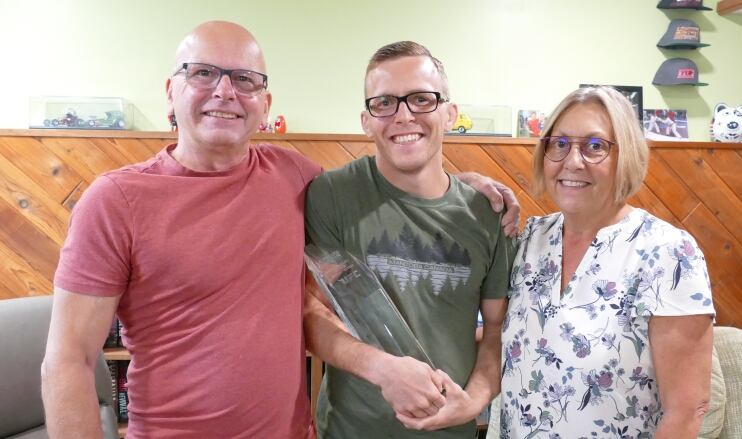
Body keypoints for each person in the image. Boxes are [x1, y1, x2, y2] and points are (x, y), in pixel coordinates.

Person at [41, 22, 519, 439]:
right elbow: (68, 363)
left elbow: (402, 176)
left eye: (244, 79)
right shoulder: (113, 201)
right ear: (171, 90)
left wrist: (470, 187)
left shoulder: (293, 177)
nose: (225, 92)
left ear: (264, 103)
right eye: (203, 72)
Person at [304, 41, 517, 438]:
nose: (403, 116)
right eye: (384, 103)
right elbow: (311, 313)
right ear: (366, 121)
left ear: (450, 113)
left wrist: (472, 402)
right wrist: (382, 370)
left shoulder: (488, 215)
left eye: (421, 99)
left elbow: (497, 330)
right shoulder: (331, 196)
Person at [496, 86, 714, 438]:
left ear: (625, 155)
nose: (572, 161)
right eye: (560, 143)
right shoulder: (528, 241)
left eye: (595, 146)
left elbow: (687, 412)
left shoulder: (668, 253)